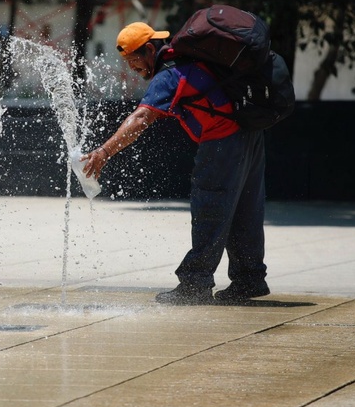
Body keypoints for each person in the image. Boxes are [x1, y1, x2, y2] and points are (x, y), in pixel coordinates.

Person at [81, 22, 270, 305]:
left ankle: (195, 284)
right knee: (245, 208)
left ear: (148, 49)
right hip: (248, 132)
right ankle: (248, 279)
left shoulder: (169, 74)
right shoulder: (186, 62)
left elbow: (142, 118)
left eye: (134, 61)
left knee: (211, 205)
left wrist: (104, 152)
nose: (134, 70)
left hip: (223, 139)